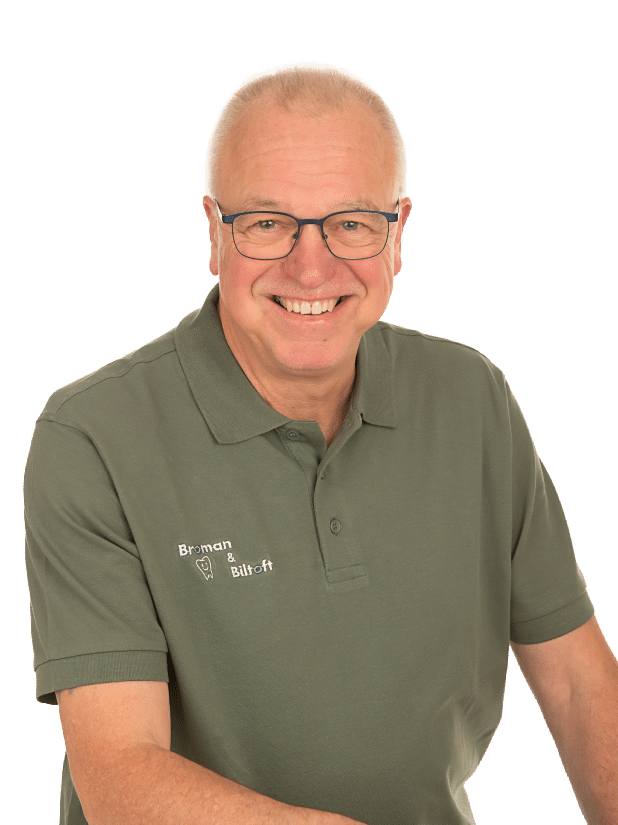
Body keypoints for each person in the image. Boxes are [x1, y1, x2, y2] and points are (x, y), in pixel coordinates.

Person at [23, 59, 617, 825]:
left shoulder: (473, 398)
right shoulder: (92, 436)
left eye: (351, 223)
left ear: (397, 233)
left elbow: (579, 684)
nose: (312, 265)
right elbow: (121, 777)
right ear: (214, 231)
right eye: (268, 223)